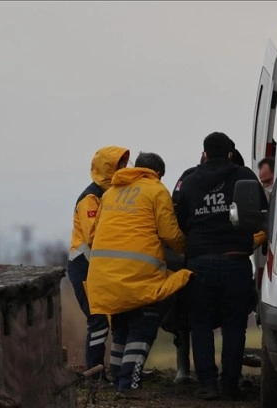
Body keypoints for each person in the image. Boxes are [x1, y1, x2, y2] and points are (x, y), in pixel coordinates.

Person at [86, 152, 194, 398]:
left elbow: (93, 235)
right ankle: (130, 385)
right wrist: (186, 249)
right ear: (158, 174)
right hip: (137, 276)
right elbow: (169, 233)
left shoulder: (111, 192)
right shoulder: (156, 190)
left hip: (103, 277)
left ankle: (117, 378)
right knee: (143, 326)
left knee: (122, 326)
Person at [176, 132, 267, 400]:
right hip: (235, 260)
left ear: (204, 154)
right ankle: (230, 384)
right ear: (230, 154)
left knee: (200, 324)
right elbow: (262, 213)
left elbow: (179, 220)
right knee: (234, 324)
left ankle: (206, 384)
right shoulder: (245, 176)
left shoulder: (189, 182)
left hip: (198, 263)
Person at [66, 145, 129, 381]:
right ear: (108, 169)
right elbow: (94, 234)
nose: (124, 168)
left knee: (117, 319)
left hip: (100, 269)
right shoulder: (91, 198)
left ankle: (116, 372)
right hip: (84, 268)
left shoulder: (111, 194)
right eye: (119, 165)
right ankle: (95, 375)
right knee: (98, 322)